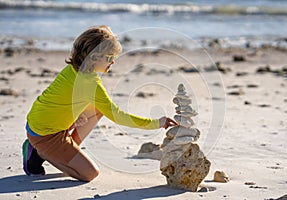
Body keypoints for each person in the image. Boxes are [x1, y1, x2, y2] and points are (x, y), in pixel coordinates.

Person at [22, 25, 178, 182]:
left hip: (42, 121)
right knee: (90, 174)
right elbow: (118, 116)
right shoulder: (90, 84)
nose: (113, 62)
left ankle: (65, 149)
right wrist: (157, 123)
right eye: (109, 58)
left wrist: (77, 116)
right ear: (94, 57)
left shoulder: (74, 68)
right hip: (44, 134)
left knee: (98, 109)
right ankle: (38, 153)